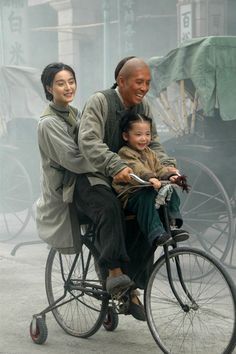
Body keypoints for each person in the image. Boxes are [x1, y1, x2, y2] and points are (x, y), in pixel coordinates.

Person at [76, 56, 183, 321]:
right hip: (93, 175)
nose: (144, 87)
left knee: (148, 212)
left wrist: (168, 167)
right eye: (139, 82)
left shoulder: (142, 105)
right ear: (121, 81)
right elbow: (87, 141)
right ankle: (114, 273)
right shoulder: (99, 102)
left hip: (131, 176)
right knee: (111, 207)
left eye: (147, 82)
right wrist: (115, 165)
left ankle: (131, 284)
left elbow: (153, 143)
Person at [36, 62, 94, 254]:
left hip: (79, 178)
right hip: (65, 188)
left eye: (71, 82)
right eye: (61, 84)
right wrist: (106, 165)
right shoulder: (49, 123)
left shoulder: (74, 113)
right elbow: (74, 160)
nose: (69, 88)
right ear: (49, 88)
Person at [112, 112, 189, 247]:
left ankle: (172, 224)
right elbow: (136, 168)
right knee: (146, 197)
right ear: (126, 136)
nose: (144, 139)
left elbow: (159, 168)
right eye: (138, 134)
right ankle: (156, 233)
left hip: (148, 187)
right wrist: (151, 178)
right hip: (131, 194)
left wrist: (170, 176)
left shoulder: (150, 152)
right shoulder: (125, 152)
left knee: (169, 189)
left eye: (147, 134)